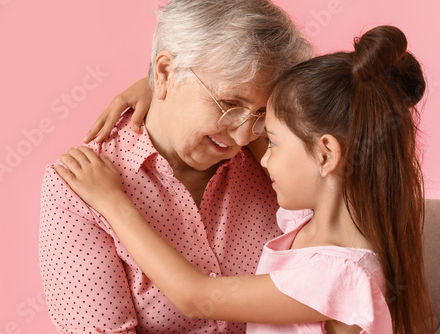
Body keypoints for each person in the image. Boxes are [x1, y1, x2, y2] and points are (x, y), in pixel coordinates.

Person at [55, 26, 433, 333]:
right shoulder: (305, 221)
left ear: (326, 155)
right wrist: (162, 83)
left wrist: (112, 202)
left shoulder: (338, 276)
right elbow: (280, 119)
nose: (255, 151)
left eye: (271, 141)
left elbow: (194, 294)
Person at [38, 0, 311, 333]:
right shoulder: (79, 188)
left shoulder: (274, 157)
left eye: (261, 114)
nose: (241, 135)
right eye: (229, 104)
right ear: (165, 72)